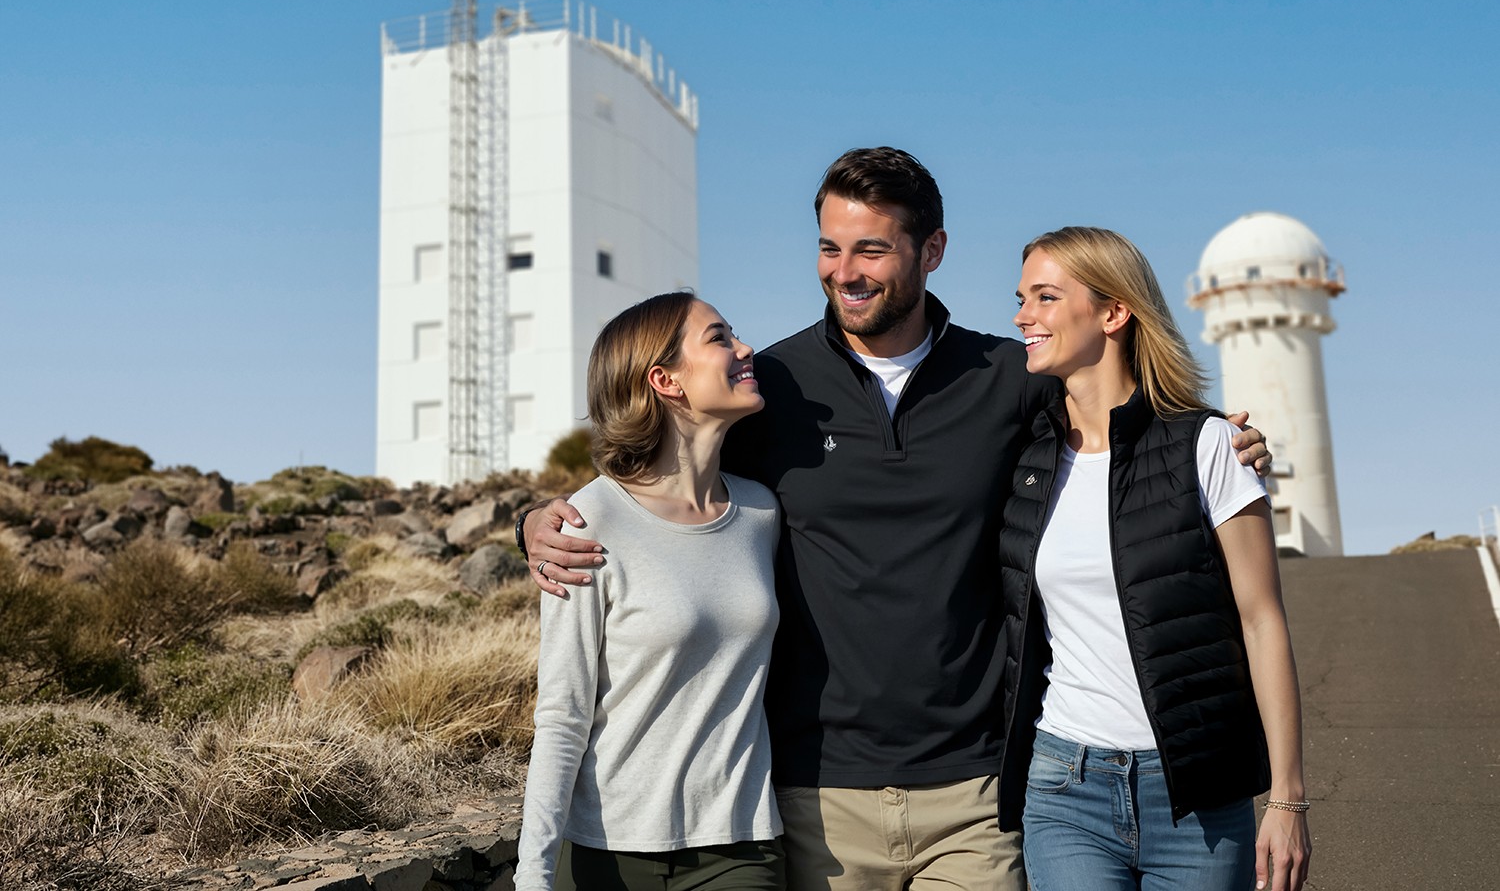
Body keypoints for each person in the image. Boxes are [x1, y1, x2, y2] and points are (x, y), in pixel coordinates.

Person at [521, 149, 1272, 891]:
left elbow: (1120, 425)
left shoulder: (1010, 379)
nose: (844, 271)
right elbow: (659, 477)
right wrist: (536, 519)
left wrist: (1214, 438)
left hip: (977, 796)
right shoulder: (771, 388)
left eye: (872, 249)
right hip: (817, 800)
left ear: (932, 250)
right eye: (829, 247)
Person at [999, 227, 1310, 891]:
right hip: (1063, 789)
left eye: (1046, 297)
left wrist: (1287, 797)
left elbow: (1263, 622)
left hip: (1199, 793)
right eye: (1022, 298)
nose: (1022, 315)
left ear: (1114, 313)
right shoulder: (1026, 464)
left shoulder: (1211, 448)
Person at [512, 292, 785, 891]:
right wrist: (532, 874)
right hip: (608, 851)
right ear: (665, 380)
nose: (745, 349)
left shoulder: (763, 512)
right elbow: (563, 713)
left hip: (739, 844)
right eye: (719, 338)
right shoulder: (587, 521)